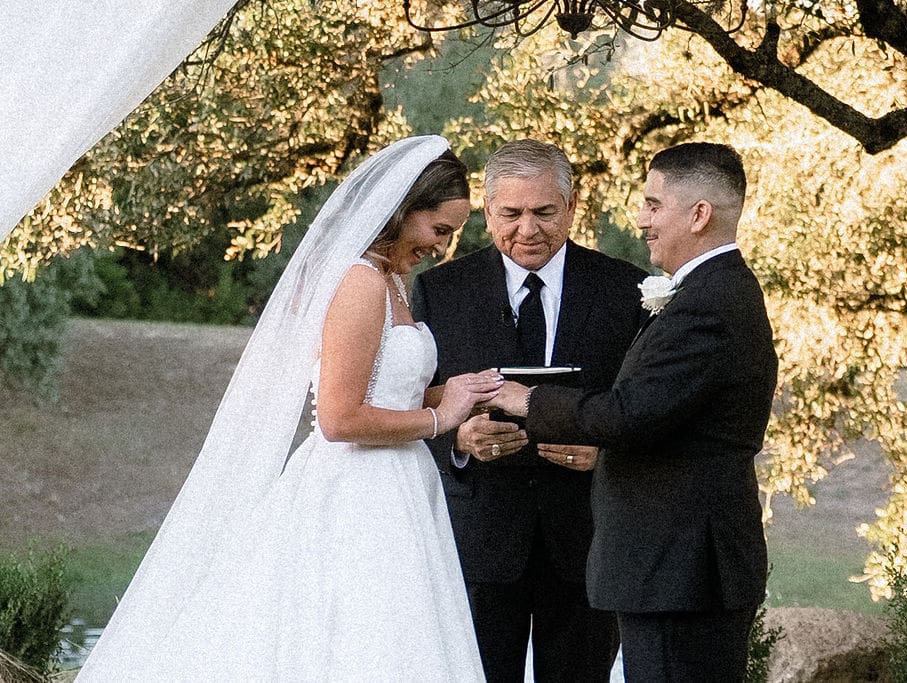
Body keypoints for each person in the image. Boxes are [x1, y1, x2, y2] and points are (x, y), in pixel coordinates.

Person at [77, 136, 500, 681]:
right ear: (401, 210)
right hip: (356, 495)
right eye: (439, 230)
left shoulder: (392, 280)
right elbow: (341, 419)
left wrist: (456, 393)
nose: (442, 247)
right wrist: (442, 419)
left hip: (399, 486)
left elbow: (388, 393)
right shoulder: (359, 283)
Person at [490, 142, 778, 681]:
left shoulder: (708, 304)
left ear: (698, 215)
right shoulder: (711, 291)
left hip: (681, 566)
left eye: (652, 204)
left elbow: (630, 413)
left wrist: (525, 398)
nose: (641, 219)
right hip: (673, 567)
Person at [411, 139, 648, 682]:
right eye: (511, 214)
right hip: (479, 538)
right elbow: (411, 401)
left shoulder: (626, 291)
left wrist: (604, 451)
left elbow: (643, 407)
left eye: (544, 212)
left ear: (572, 206)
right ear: (488, 211)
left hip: (588, 539)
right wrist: (458, 441)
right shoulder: (440, 290)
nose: (528, 229)